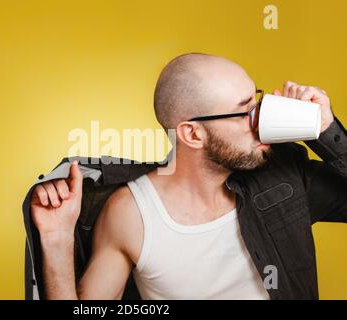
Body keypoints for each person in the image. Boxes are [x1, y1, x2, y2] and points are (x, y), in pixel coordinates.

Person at [30, 53, 341, 299]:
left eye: (257, 100)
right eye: (245, 111)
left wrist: (325, 130)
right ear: (192, 134)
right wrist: (57, 242)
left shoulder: (283, 176)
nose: (262, 120)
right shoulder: (131, 214)